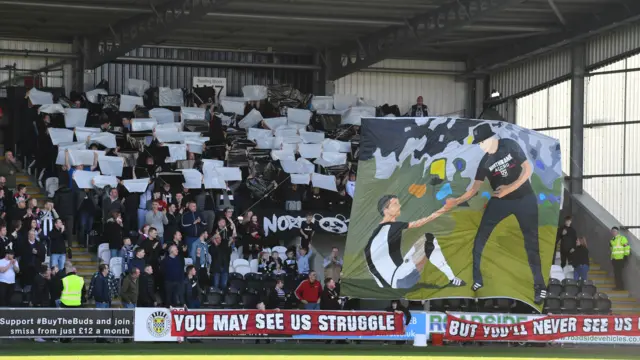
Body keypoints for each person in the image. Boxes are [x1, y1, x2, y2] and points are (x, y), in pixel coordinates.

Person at [443, 124, 544, 303]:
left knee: (531, 242)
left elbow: (528, 169)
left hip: (525, 198)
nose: (481, 146)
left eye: (482, 142)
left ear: (491, 138)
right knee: (481, 237)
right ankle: (477, 279)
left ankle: (539, 285)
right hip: (500, 201)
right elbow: (473, 189)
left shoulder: (509, 145)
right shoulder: (485, 162)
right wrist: (456, 201)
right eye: (479, 143)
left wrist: (510, 188)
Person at [367, 195, 463, 290]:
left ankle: (450, 277)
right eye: (395, 204)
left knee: (419, 247)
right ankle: (452, 278)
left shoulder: (376, 232)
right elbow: (422, 221)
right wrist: (445, 208)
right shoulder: (393, 226)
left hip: (384, 283)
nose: (399, 206)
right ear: (386, 210)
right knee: (428, 239)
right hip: (402, 279)